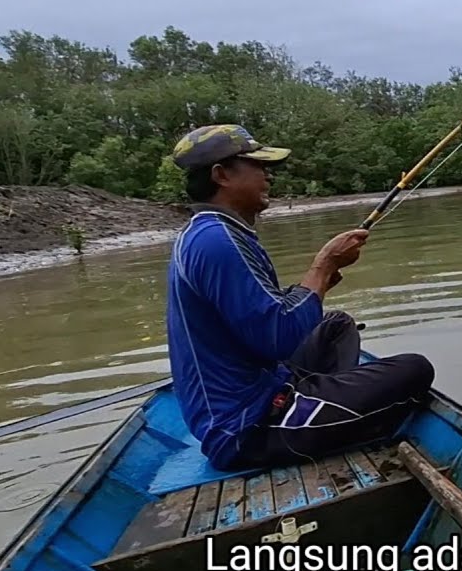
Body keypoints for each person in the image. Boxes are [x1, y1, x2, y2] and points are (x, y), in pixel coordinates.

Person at [163, 123, 436, 472]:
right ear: (221, 175)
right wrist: (323, 266)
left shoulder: (210, 232)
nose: (268, 175)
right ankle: (326, 417)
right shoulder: (217, 241)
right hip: (249, 427)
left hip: (264, 384)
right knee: (415, 369)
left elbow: (260, 318)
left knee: (336, 326)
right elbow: (277, 338)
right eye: (258, 165)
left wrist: (319, 285)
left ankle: (333, 406)